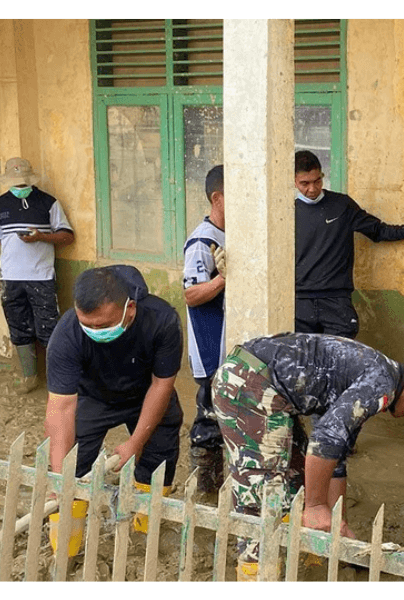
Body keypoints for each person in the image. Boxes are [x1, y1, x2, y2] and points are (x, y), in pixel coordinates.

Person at [211, 333, 404, 580]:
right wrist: (316, 506)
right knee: (264, 495)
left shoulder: (379, 373)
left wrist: (337, 522)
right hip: (250, 384)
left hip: (265, 386)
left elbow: (336, 456)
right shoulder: (382, 384)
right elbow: (324, 439)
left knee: (298, 478)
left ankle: (307, 558)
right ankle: (255, 576)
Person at [44, 265, 184, 554]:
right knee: (72, 461)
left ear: (129, 309)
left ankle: (144, 531)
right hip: (94, 397)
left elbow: (161, 385)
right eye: (88, 325)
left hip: (147, 392)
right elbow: (61, 407)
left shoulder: (162, 320)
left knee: (160, 458)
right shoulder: (68, 333)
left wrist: (135, 443)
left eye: (102, 325)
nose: (95, 331)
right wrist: (60, 478)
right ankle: (65, 549)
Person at [294, 150, 404, 338]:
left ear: (322, 175)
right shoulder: (286, 211)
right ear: (294, 180)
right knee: (300, 362)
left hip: (336, 300)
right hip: (299, 302)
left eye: (317, 181)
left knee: (341, 361)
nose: (312, 189)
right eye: (305, 184)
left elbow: (376, 230)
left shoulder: (342, 205)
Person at [0, 157, 75, 393]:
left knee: (49, 328)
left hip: (41, 277)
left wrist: (41, 237)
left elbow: (67, 236)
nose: (20, 186)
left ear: (30, 181)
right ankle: (29, 377)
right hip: (10, 279)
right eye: (16, 182)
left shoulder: (48, 203)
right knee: (19, 327)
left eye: (23, 182)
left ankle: (57, 380)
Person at [182, 164, 227, 496]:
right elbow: (192, 294)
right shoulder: (202, 241)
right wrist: (224, 278)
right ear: (218, 197)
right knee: (209, 415)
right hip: (210, 345)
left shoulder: (228, 234)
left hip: (230, 344)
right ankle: (206, 486)